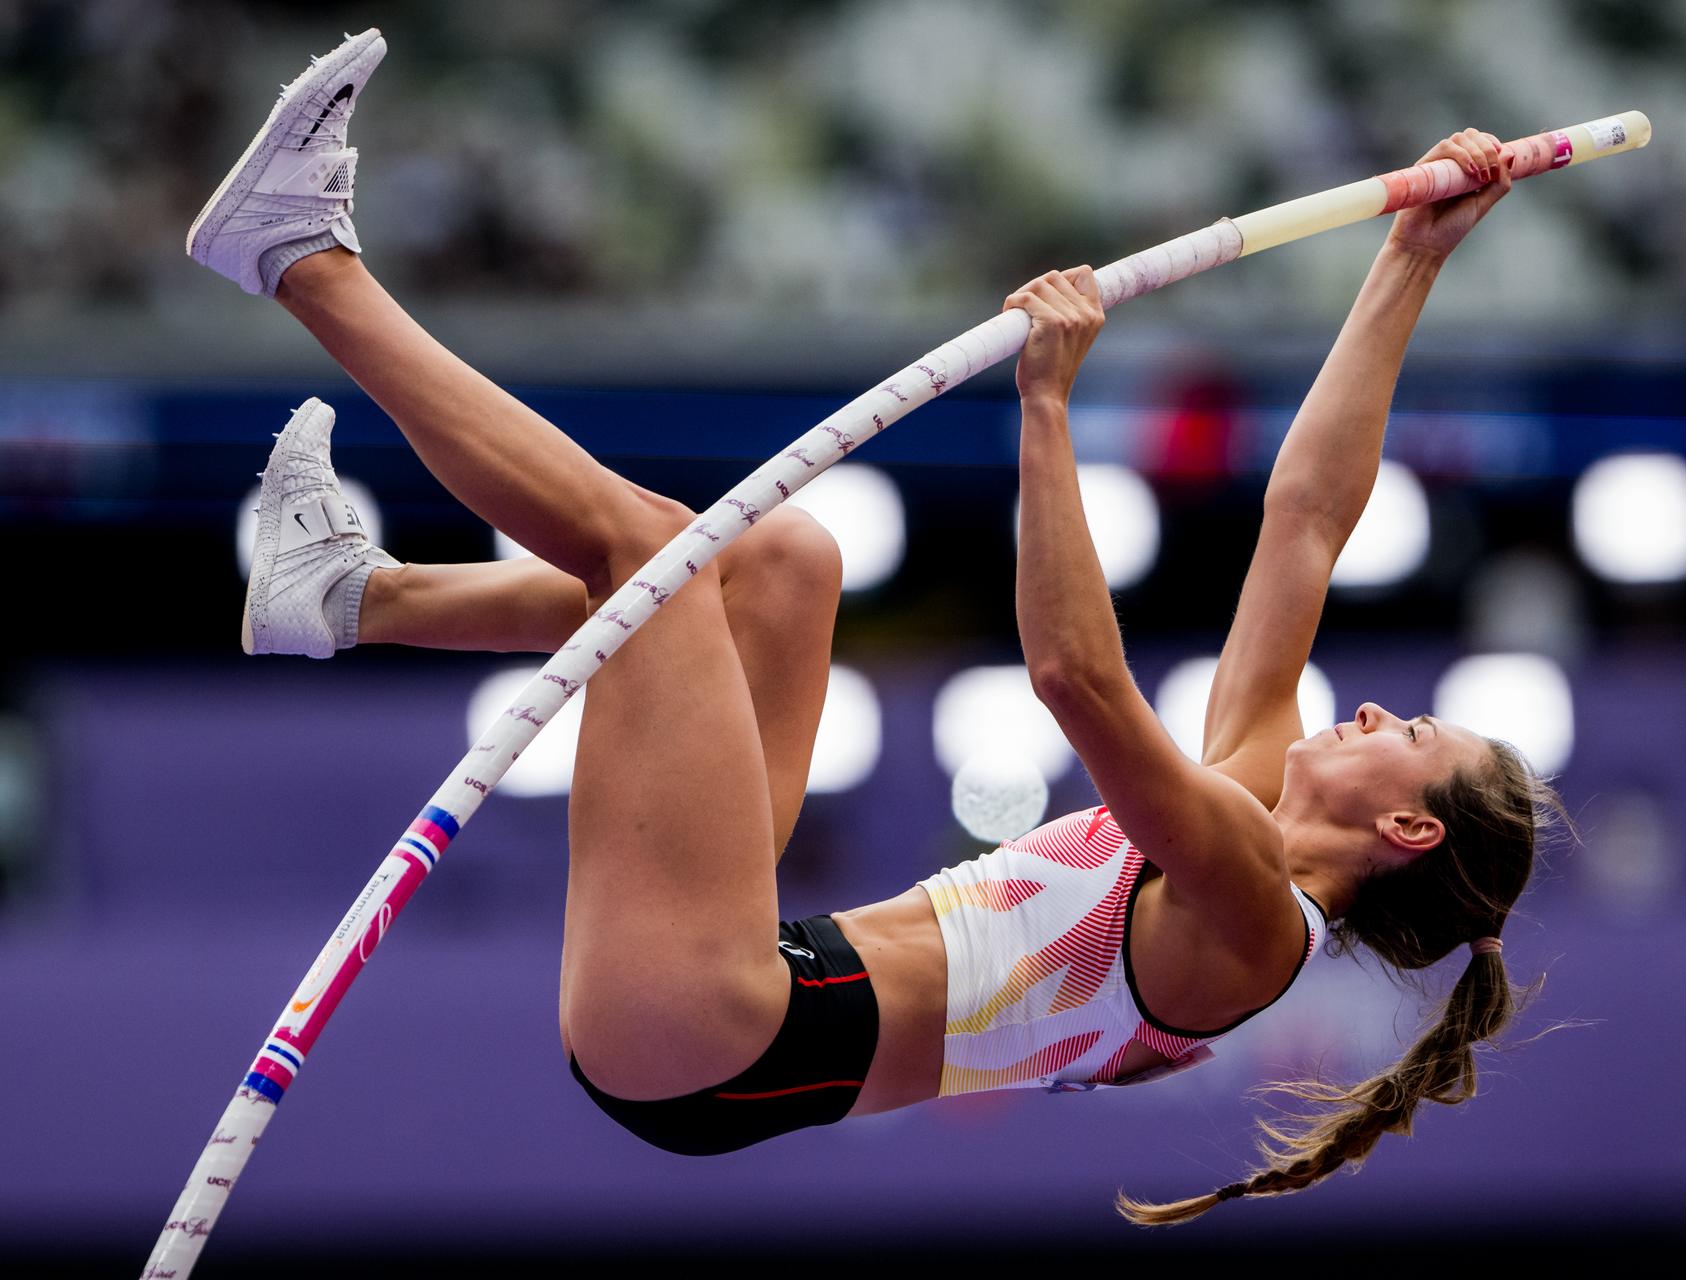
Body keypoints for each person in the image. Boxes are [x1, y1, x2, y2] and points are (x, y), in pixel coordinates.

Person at [193, 30, 1564, 1223]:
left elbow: (1076, 679)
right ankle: (353, 597)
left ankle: (302, 258)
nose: (1373, 710)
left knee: (651, 553)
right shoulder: (1251, 797)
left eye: (1411, 730)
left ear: (1409, 827)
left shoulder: (1254, 919)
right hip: (760, 970)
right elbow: (1307, 521)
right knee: (780, 563)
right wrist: (1407, 261)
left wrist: (1046, 407)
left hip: (712, 1032)